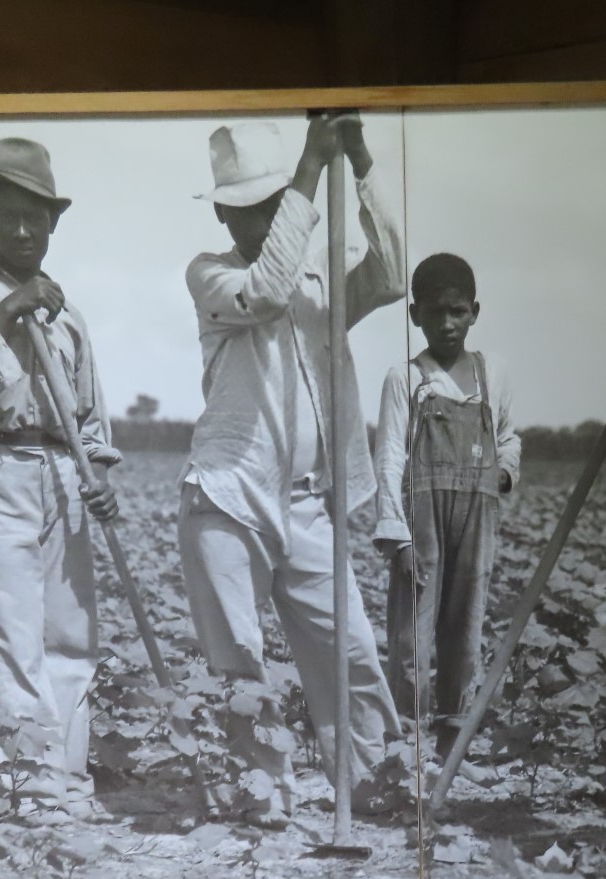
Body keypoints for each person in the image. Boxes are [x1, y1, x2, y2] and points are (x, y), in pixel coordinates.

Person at [179, 113, 406, 827]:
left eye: (273, 204)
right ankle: (263, 793)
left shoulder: (321, 280)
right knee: (242, 658)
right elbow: (269, 289)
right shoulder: (212, 274)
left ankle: (370, 781)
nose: (262, 221)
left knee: (352, 650)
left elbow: (393, 274)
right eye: (246, 209)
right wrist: (310, 166)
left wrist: (359, 160)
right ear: (223, 214)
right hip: (228, 497)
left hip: (306, 502)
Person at [0, 137, 121, 823]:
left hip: (62, 475)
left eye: (33, 217)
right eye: (7, 215)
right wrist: (11, 310)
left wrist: (100, 473)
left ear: (52, 223)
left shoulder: (71, 315)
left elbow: (90, 418)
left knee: (70, 636)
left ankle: (68, 780)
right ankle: (30, 788)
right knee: (17, 635)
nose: (20, 230)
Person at [373, 253, 522, 759]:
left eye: (457, 311)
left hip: (477, 519)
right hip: (423, 522)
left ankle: (452, 744)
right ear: (415, 315)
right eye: (435, 312)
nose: (447, 323)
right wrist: (397, 536)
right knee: (412, 632)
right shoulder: (405, 378)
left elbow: (508, 436)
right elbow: (389, 456)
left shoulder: (491, 374)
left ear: (474, 312)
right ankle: (408, 745)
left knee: (465, 628)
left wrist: (503, 472)